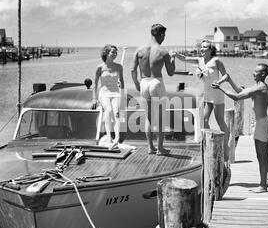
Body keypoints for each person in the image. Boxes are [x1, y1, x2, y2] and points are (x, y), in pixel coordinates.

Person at [212, 63, 268, 193]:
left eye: (256, 71)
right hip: (264, 122)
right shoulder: (257, 86)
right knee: (266, 153)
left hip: (262, 124)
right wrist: (229, 80)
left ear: (262, 74)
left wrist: (220, 88)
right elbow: (241, 91)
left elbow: (236, 97)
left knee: (261, 155)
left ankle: (263, 185)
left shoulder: (260, 87)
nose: (253, 73)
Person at [175, 40, 230, 161]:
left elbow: (226, 75)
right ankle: (208, 146)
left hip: (217, 94)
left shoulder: (216, 61)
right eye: (201, 47)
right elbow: (184, 59)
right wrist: (174, 54)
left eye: (205, 47)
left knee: (220, 121)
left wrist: (219, 82)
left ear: (210, 50)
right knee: (204, 121)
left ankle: (226, 149)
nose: (202, 49)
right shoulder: (199, 60)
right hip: (206, 95)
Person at [131, 23, 175, 155]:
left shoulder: (139, 50)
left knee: (149, 118)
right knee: (160, 118)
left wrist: (137, 84)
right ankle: (160, 149)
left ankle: (150, 147)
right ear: (160, 34)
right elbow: (171, 72)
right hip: (156, 82)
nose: (164, 38)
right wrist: (172, 58)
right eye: (164, 35)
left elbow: (132, 70)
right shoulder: (163, 52)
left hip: (144, 82)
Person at [92, 44, 125, 148]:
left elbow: (122, 81)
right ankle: (109, 136)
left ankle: (117, 138)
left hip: (115, 92)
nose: (115, 54)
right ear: (106, 53)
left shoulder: (119, 67)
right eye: (113, 52)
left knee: (116, 113)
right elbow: (95, 84)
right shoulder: (100, 67)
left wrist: (123, 94)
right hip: (104, 93)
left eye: (116, 52)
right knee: (109, 110)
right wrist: (94, 98)